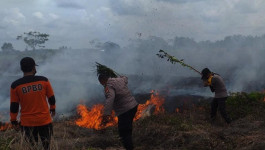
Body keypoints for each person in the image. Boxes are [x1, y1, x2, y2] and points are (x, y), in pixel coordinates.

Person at [10, 57, 56, 150]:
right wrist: (52, 108)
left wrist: (13, 120)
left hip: (27, 123)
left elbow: (14, 105)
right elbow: (51, 97)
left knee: (31, 147)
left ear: (22, 69)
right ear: (33, 68)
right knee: (47, 146)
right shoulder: (44, 80)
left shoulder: (15, 85)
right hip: (44, 121)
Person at [98, 74, 138, 150]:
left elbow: (110, 98)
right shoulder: (120, 79)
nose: (101, 84)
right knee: (128, 129)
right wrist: (116, 75)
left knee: (123, 132)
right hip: (133, 106)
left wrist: (106, 113)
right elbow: (125, 77)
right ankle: (130, 145)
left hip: (125, 110)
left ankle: (129, 148)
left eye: (101, 82)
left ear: (103, 80)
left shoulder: (109, 86)